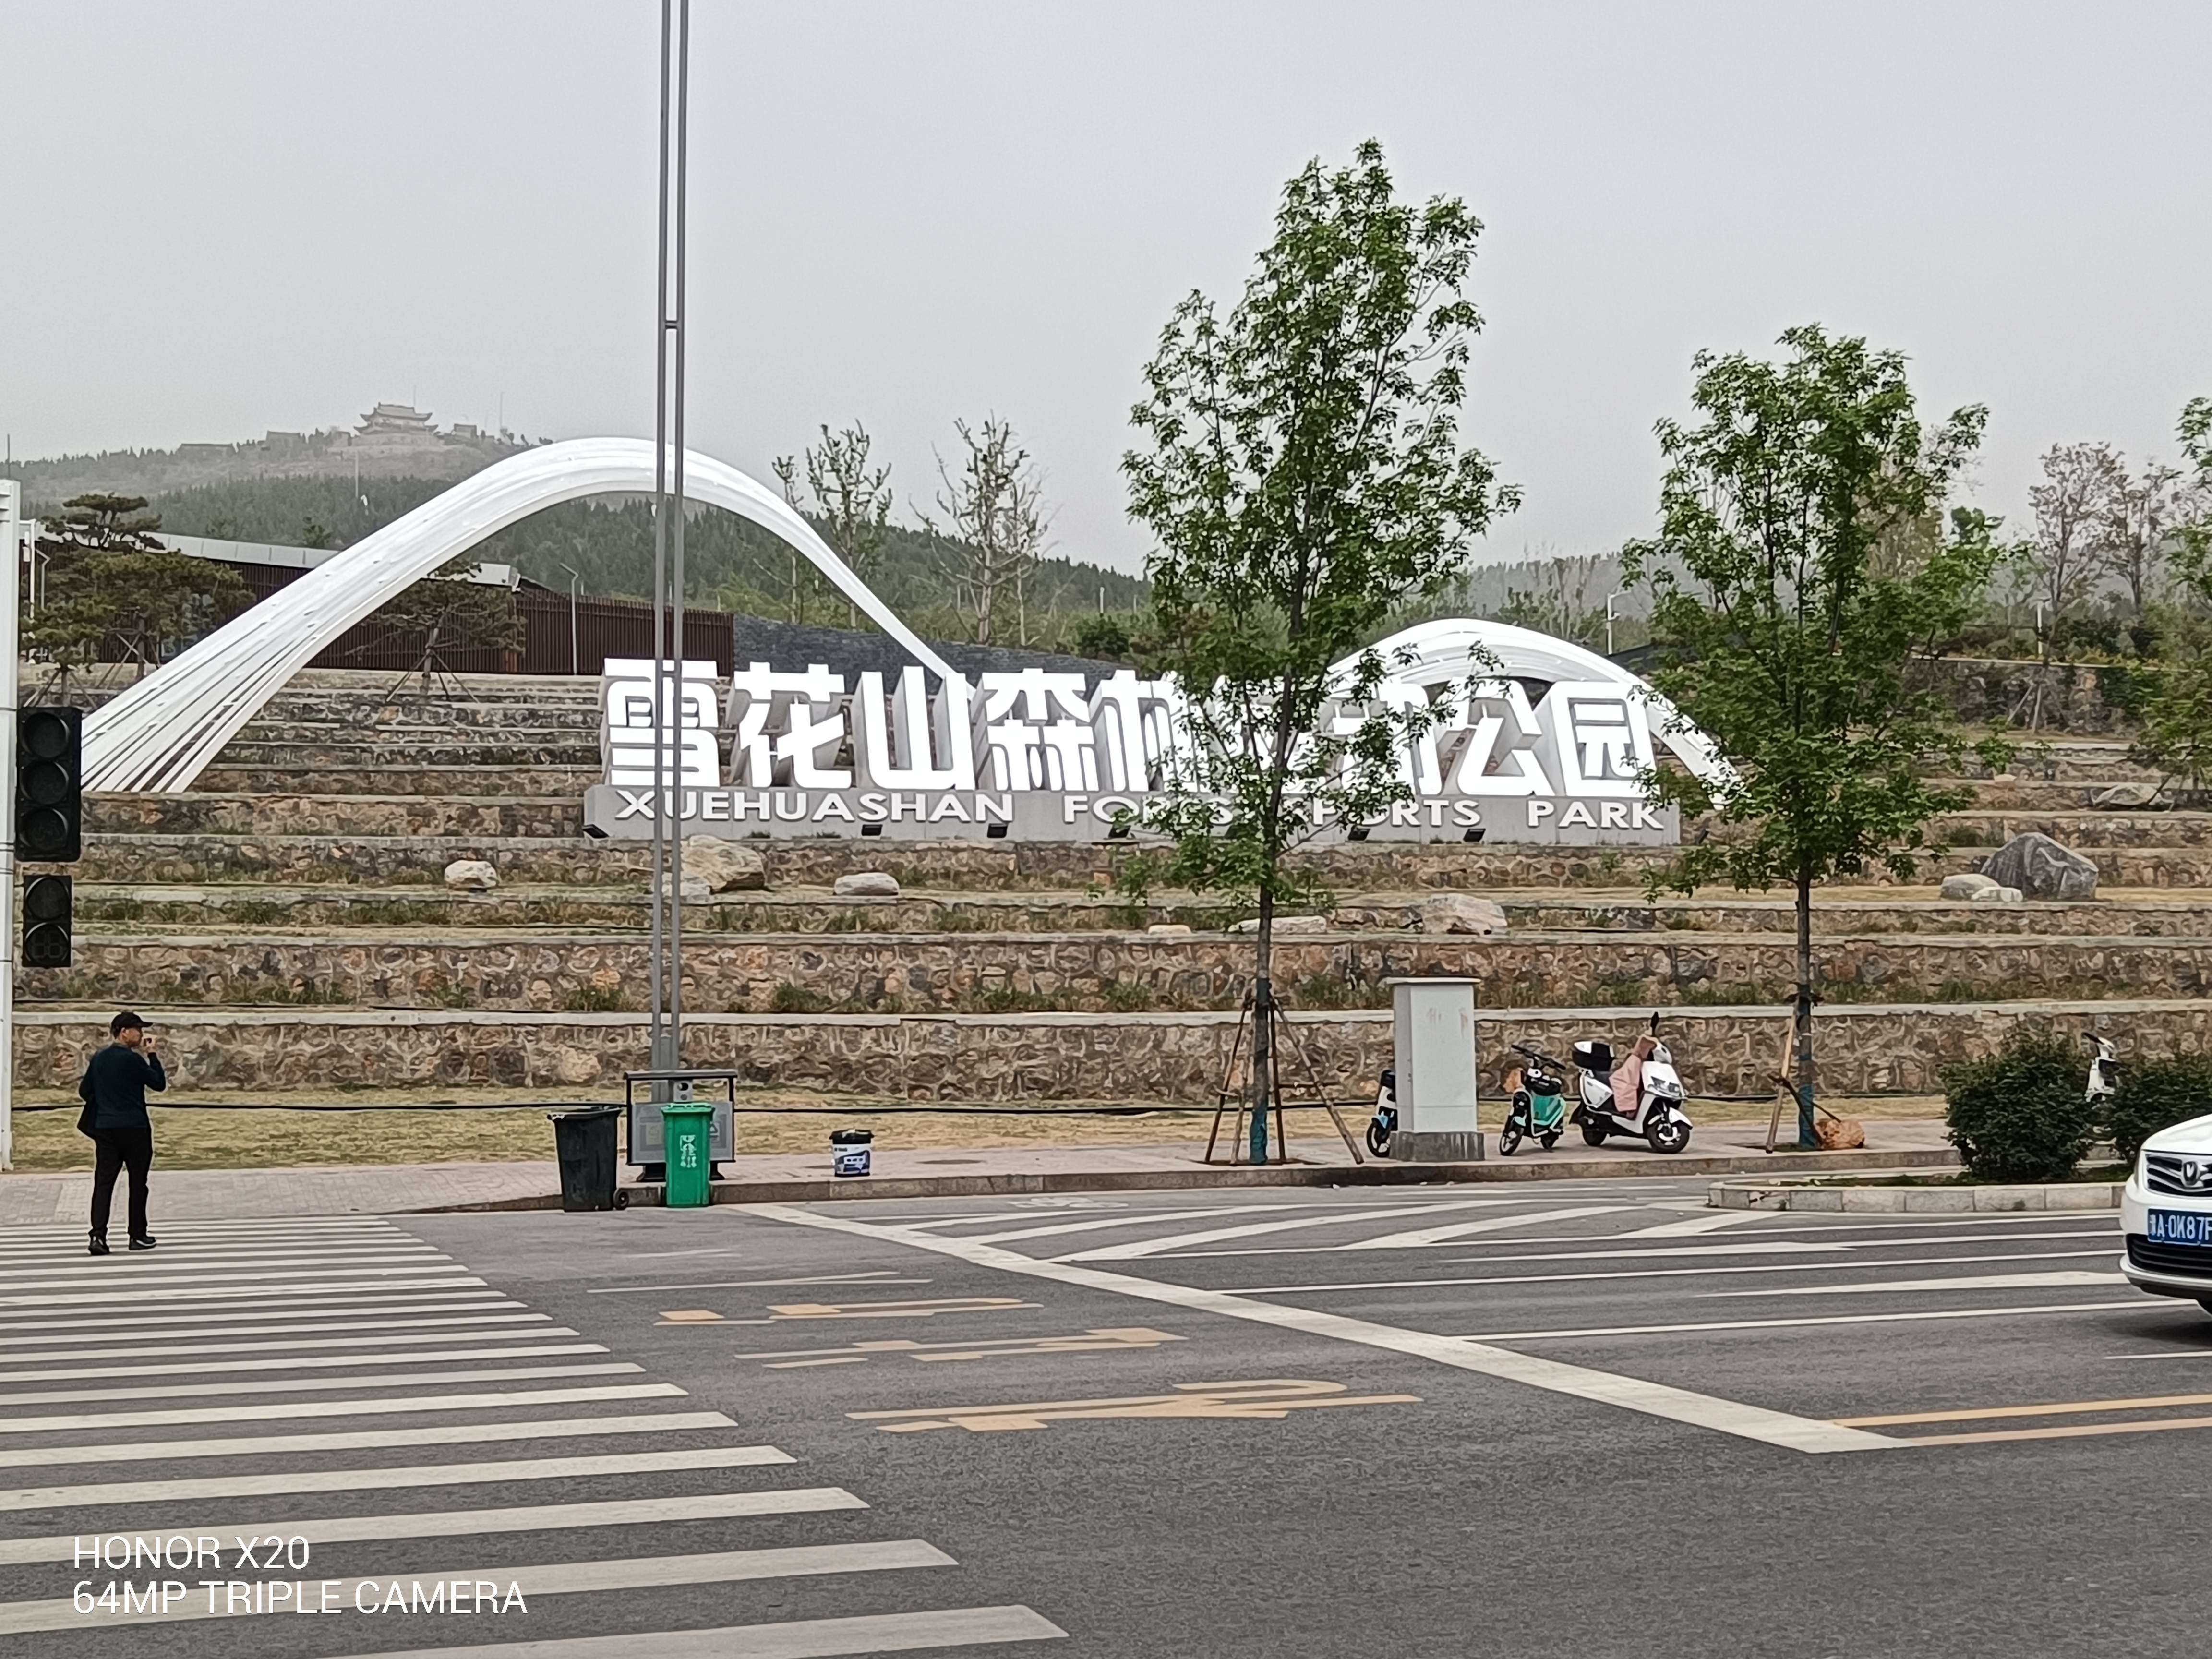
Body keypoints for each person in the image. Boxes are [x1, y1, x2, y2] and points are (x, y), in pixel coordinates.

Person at [80, 1011, 166, 1255]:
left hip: (106, 1128)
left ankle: (98, 1236)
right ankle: (137, 1236)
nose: (141, 1034)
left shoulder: (99, 1058)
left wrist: (105, 1103)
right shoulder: (133, 1060)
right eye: (137, 1029)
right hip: (135, 1127)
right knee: (138, 1182)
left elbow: (85, 1090)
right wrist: (152, 1055)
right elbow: (158, 1083)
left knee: (104, 1182)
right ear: (124, 1031)